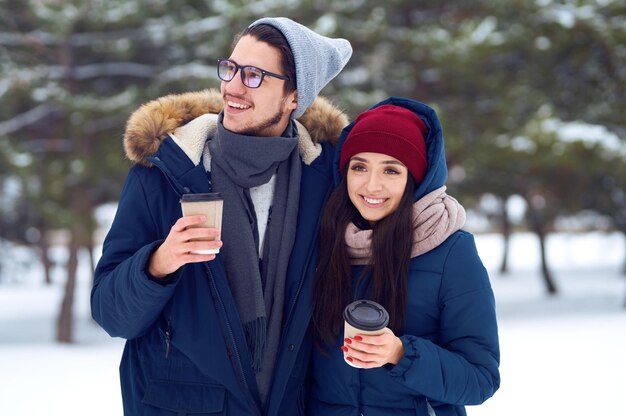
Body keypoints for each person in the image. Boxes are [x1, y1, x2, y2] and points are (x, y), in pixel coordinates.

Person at [91, 17, 352, 415]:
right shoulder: (164, 174)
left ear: (294, 97)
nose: (231, 86)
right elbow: (111, 315)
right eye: (230, 68)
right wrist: (159, 263)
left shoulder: (325, 182)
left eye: (254, 75)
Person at [309, 98, 500, 415]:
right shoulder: (322, 240)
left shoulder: (451, 252)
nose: (372, 185)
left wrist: (400, 353)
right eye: (359, 167)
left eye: (391, 170)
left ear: (416, 179)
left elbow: (480, 378)